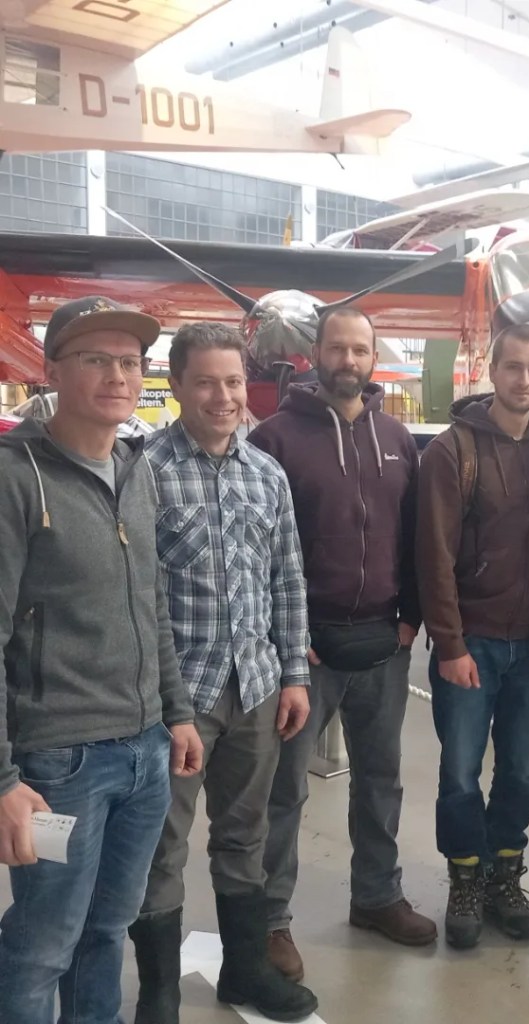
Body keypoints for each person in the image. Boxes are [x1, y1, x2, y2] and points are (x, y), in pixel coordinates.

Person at [0, 296, 203, 1023]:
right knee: (43, 943)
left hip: (145, 754)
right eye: (95, 359)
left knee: (109, 928)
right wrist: (3, 780)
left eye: (130, 361)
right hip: (60, 769)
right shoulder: (16, 478)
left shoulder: (133, 468)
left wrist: (176, 712)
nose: (119, 375)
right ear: (51, 370)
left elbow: (153, 605)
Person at [129, 323, 318, 1022]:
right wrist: (167, 702)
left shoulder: (267, 473)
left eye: (233, 381)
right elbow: (139, 597)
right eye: (206, 382)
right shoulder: (145, 472)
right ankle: (159, 992)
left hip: (256, 689)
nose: (223, 396)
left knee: (245, 837)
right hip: (178, 699)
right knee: (162, 845)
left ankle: (245, 970)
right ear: (176, 385)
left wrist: (293, 673)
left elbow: (287, 580)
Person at [248, 306, 434, 983]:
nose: (348, 360)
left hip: (385, 642)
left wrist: (411, 618)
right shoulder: (273, 438)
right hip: (306, 653)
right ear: (317, 353)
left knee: (381, 780)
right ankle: (270, 919)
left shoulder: (397, 438)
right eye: (337, 348)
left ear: (373, 357)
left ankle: (377, 897)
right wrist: (287, 638)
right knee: (284, 791)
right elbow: (256, 551)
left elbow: (415, 535)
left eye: (360, 349)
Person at [416, 323, 529, 950]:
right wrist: (449, 644)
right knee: (460, 772)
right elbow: (434, 556)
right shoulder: (453, 452)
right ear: (492, 370)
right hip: (471, 643)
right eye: (514, 367)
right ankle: (465, 878)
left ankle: (504, 872)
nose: (524, 380)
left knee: (522, 773)